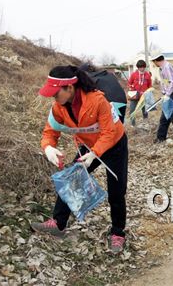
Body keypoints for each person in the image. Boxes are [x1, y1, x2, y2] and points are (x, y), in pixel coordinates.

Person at [31, 65, 128, 254]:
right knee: (72, 180)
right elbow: (49, 132)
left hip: (114, 145)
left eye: (56, 93)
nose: (53, 97)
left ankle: (118, 233)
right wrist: (48, 147)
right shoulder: (58, 107)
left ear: (69, 88)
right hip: (88, 146)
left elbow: (109, 133)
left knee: (116, 190)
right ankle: (58, 224)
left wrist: (95, 154)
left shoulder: (97, 100)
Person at [127, 60, 152, 127]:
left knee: (145, 110)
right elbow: (129, 83)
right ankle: (133, 124)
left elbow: (150, 85)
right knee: (132, 110)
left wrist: (148, 92)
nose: (142, 68)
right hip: (135, 95)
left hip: (144, 95)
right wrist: (131, 88)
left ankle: (145, 123)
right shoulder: (133, 74)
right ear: (138, 67)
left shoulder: (147, 75)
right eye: (140, 67)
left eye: (143, 67)